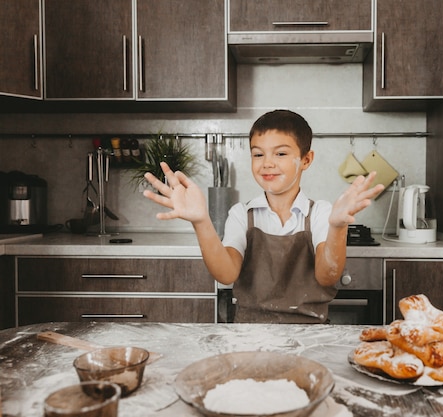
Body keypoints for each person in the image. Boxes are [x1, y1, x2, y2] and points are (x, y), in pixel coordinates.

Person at [143, 109, 384, 323]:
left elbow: (327, 276)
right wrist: (201, 221)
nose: (267, 163)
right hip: (250, 334)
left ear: (306, 160)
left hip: (309, 334)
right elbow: (226, 274)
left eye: (280, 154)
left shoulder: (321, 213)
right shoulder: (241, 214)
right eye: (258, 155)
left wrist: (338, 227)